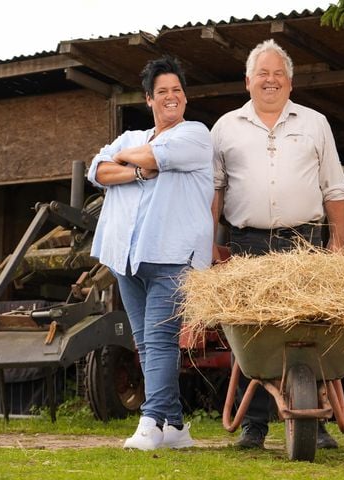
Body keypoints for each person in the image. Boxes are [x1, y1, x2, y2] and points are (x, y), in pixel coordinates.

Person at [211, 39, 344, 450]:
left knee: (309, 331)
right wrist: (207, 246)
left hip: (304, 243)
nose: (270, 80)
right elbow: (215, 193)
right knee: (253, 335)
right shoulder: (225, 128)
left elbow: (335, 188)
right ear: (248, 81)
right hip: (248, 244)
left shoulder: (315, 123)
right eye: (263, 73)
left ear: (290, 83)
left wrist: (338, 248)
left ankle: (319, 420)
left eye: (278, 74)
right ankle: (253, 426)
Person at [88, 56, 214, 451]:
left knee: (160, 342)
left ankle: (150, 422)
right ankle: (174, 427)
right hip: (127, 256)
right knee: (144, 343)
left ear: (185, 97)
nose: (171, 97)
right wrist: (136, 171)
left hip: (172, 256)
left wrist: (130, 159)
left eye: (177, 90)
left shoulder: (195, 135)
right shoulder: (130, 138)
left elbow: (157, 156)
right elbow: (97, 170)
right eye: (163, 92)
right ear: (149, 98)